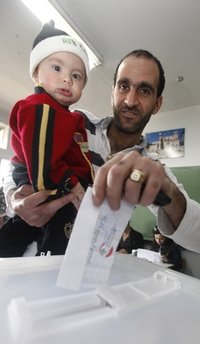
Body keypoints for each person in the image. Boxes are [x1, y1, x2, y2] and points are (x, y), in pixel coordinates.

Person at [3, 49, 200, 256]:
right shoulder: (74, 123)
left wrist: (166, 190)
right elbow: (18, 164)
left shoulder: (150, 168)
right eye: (124, 86)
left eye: (144, 90)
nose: (131, 101)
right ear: (112, 91)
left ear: (157, 104)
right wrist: (14, 199)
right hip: (29, 266)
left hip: (87, 280)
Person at [0, 21, 94, 257]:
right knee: (59, 240)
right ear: (35, 74)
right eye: (56, 68)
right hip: (49, 181)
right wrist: (74, 185)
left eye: (76, 75)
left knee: (27, 229)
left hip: (48, 178)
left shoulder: (62, 114)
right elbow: (45, 165)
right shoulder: (41, 108)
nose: (67, 79)